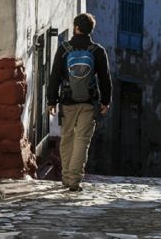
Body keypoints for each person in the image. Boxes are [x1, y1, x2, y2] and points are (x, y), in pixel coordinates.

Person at [47, 12, 112, 192]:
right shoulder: (97, 51)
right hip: (89, 102)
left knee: (66, 137)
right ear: (90, 30)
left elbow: (54, 76)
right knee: (82, 140)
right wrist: (106, 101)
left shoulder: (64, 49)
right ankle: (75, 179)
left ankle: (66, 177)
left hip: (67, 101)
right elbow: (105, 79)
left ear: (76, 28)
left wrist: (51, 100)